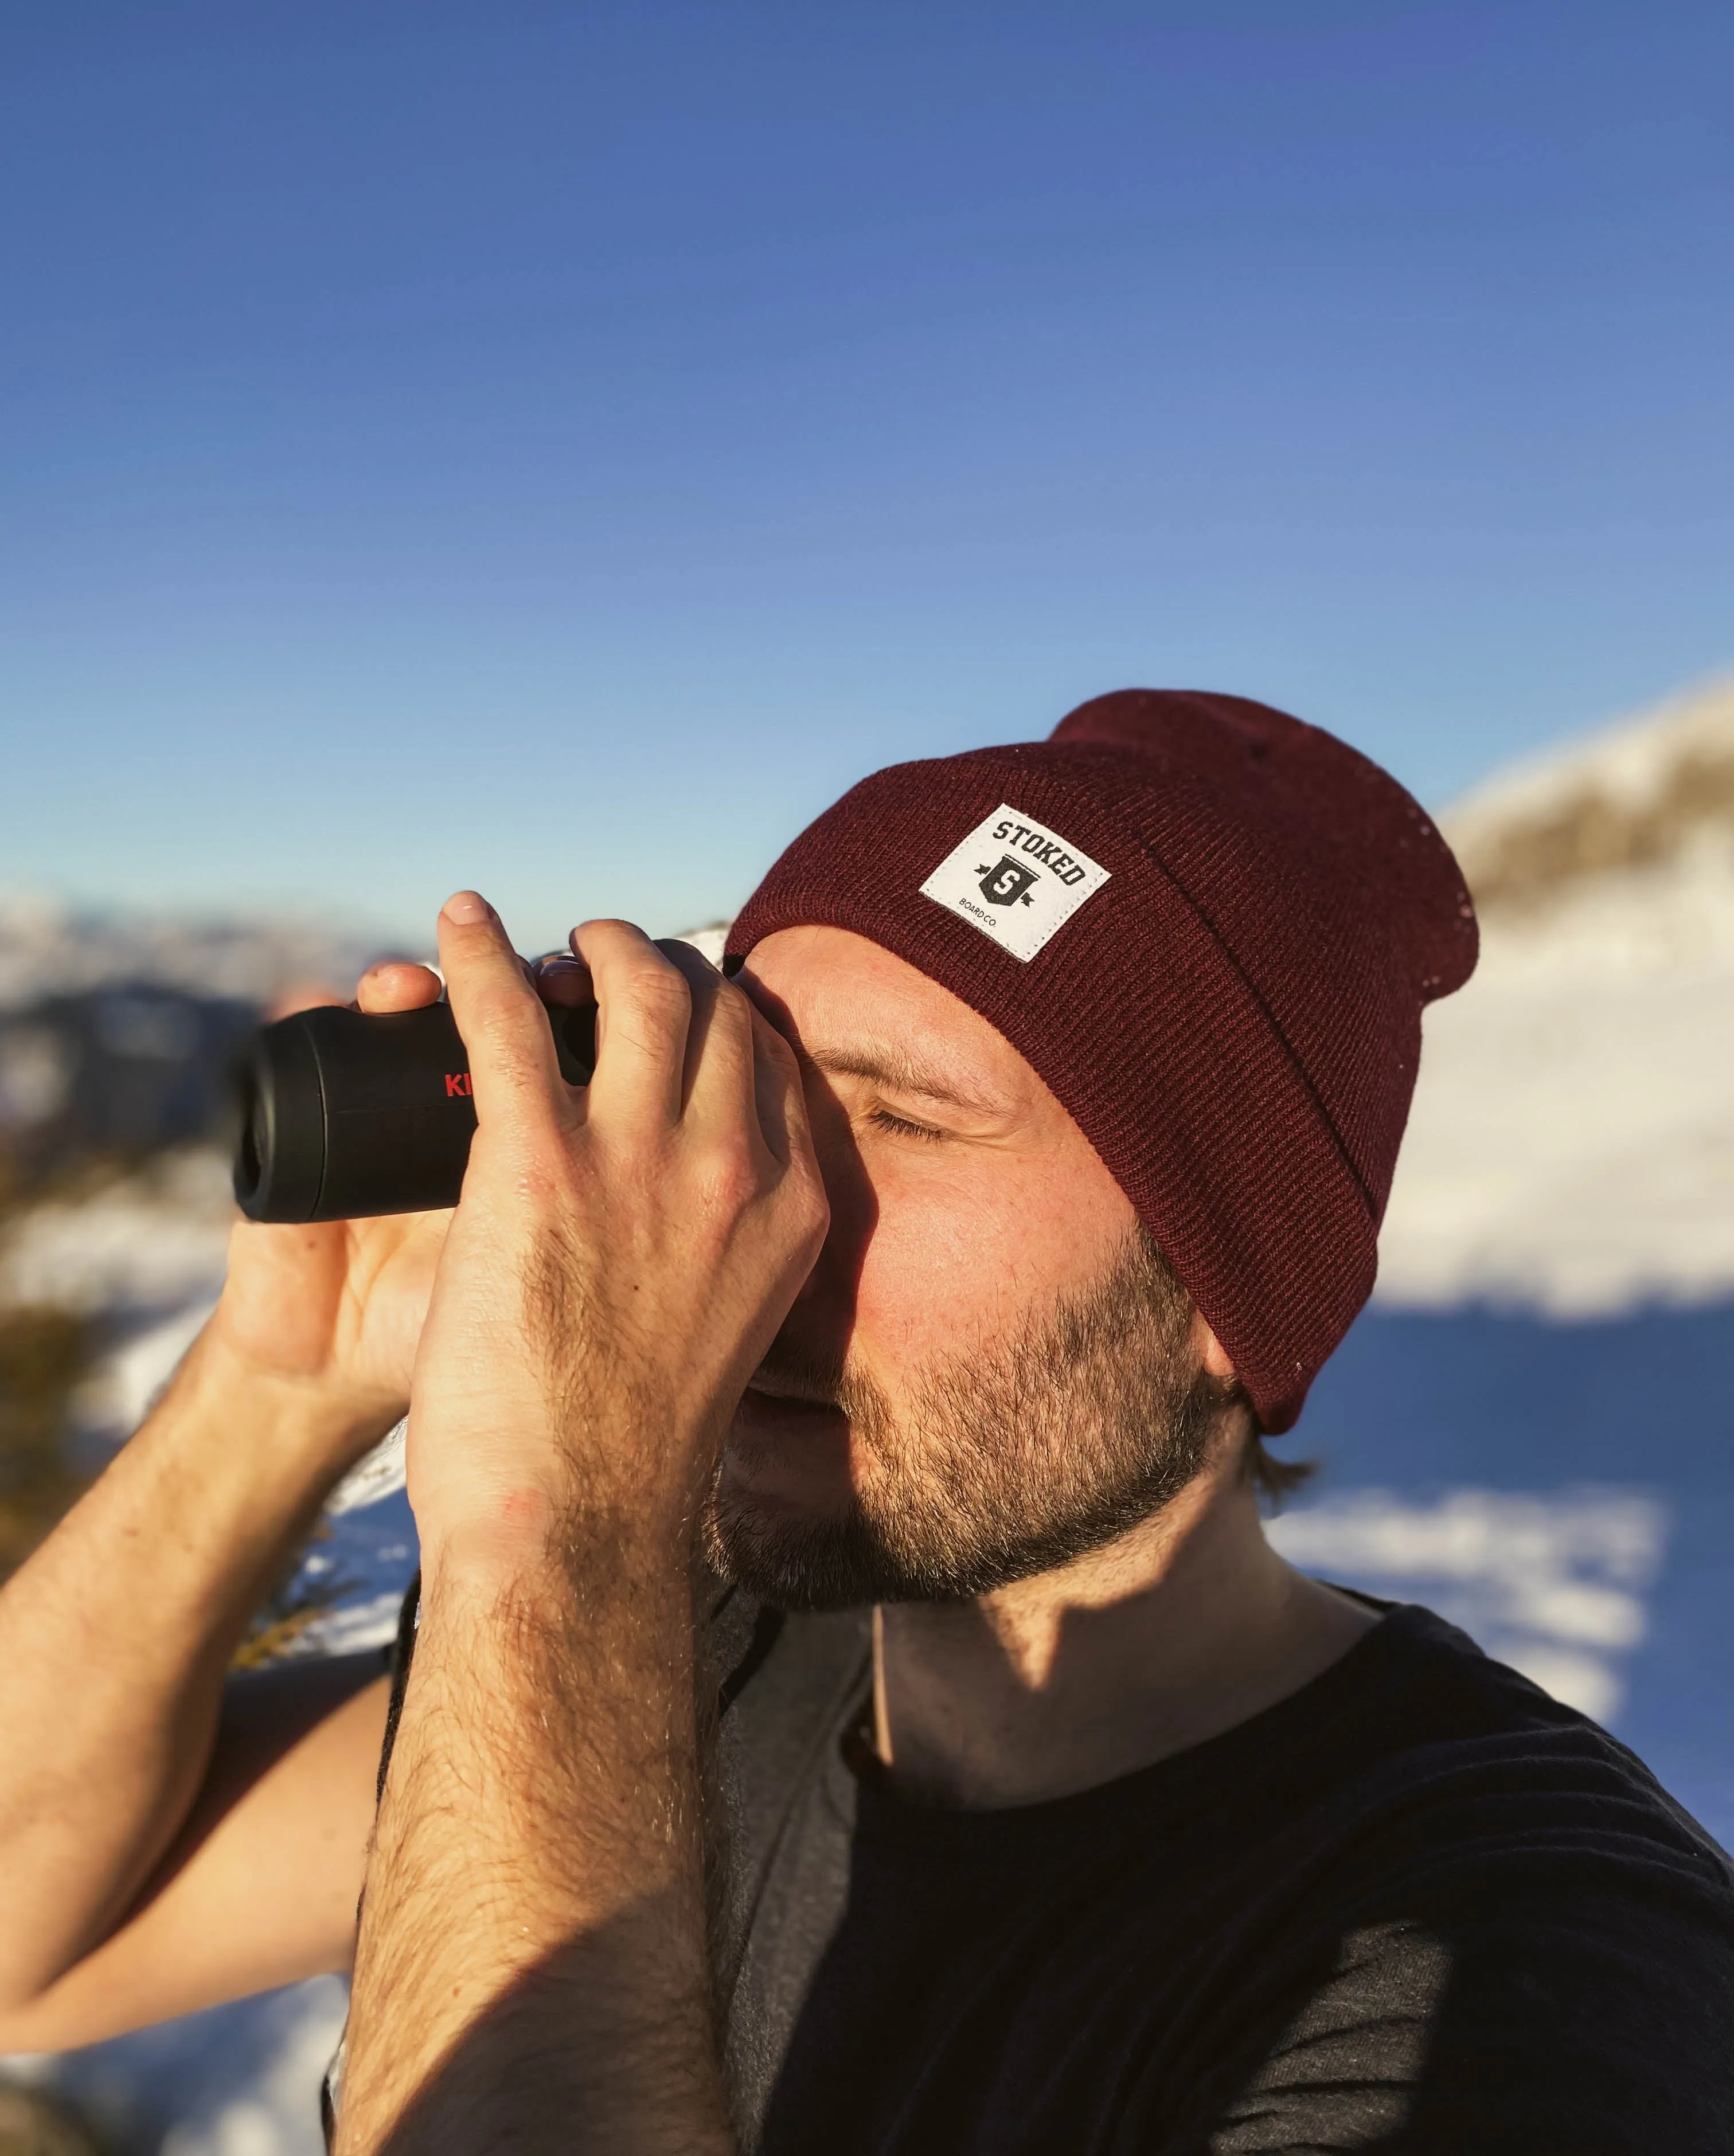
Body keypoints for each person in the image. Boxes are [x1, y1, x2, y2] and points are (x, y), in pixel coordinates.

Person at [0, 690, 1729, 2156]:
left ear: (1230, 1300)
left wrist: (558, 1531)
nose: (761, 1207)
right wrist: (290, 1371)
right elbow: (29, 1938)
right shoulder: (691, 1654)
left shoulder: (1523, 1978)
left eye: (904, 1121)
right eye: (755, 1093)